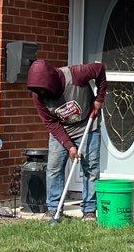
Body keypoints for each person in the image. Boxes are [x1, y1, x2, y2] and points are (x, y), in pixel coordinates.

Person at [26, 57, 107, 218]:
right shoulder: (38, 96)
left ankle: (89, 210)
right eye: (39, 91)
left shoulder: (77, 74)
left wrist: (100, 98)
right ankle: (54, 208)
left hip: (87, 125)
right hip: (61, 130)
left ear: (52, 81)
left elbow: (100, 69)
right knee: (54, 169)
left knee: (90, 169)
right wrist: (70, 145)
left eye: (45, 90)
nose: (43, 94)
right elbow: (51, 124)